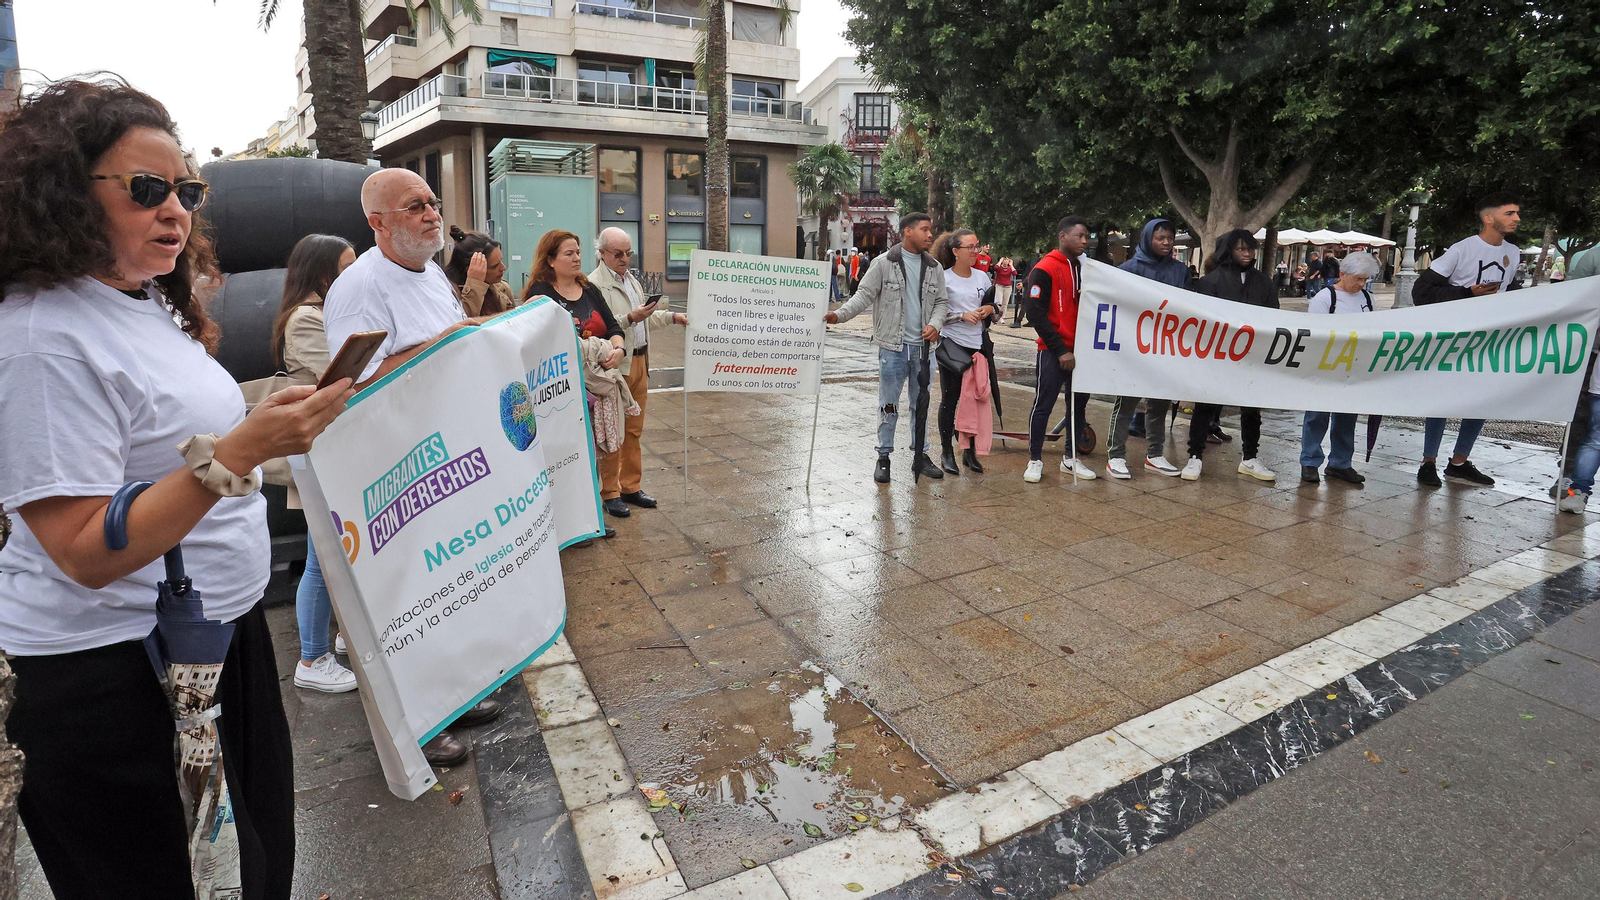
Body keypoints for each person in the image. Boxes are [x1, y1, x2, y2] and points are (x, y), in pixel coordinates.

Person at [0, 76, 356, 900]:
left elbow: (168, 440)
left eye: (186, 191)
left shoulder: (136, 305)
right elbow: (85, 550)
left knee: (257, 853)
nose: (175, 210)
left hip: (210, 643)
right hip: (116, 673)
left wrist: (272, 414)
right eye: (146, 189)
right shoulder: (40, 335)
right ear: (60, 194)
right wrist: (237, 451)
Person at [322, 167, 503, 765]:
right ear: (377, 222)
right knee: (408, 602)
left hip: (450, 451)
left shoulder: (429, 275)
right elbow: (356, 384)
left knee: (452, 584)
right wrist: (456, 342)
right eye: (414, 207)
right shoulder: (359, 288)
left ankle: (455, 694)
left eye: (432, 203)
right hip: (399, 468)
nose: (431, 214)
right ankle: (420, 722)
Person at [269, 233, 359, 694]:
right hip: (319, 452)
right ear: (322, 274)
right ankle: (310, 656)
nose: (353, 276)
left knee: (339, 554)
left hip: (334, 448)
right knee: (323, 557)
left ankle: (342, 639)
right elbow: (343, 375)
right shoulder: (306, 318)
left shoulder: (326, 313)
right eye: (345, 268)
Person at [824, 213, 949, 484]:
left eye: (931, 230)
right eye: (924, 230)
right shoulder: (884, 263)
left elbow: (941, 301)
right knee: (889, 405)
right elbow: (864, 296)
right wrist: (839, 315)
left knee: (921, 404)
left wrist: (936, 324)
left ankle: (920, 454)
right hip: (893, 348)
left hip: (924, 351)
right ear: (907, 232)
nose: (930, 235)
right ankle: (883, 457)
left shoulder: (934, 267)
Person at [1411, 191, 1522, 488]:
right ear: (1488, 218)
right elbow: (1421, 293)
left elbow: (1510, 292)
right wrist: (1467, 293)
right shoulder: (1462, 250)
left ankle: (1459, 461)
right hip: (1455, 335)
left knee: (1481, 398)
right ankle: (1428, 462)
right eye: (1509, 213)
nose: (1516, 219)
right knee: (1443, 398)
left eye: (1516, 213)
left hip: (1491, 338)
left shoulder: (1514, 252)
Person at [589, 226, 687, 515]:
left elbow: (645, 319)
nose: (624, 258)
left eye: (628, 252)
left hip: (640, 361)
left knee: (633, 430)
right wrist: (632, 317)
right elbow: (601, 326)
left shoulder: (631, 280)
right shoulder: (595, 284)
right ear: (602, 253)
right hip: (616, 366)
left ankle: (630, 485)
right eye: (618, 253)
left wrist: (672, 317)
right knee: (612, 432)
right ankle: (610, 492)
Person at [1187, 229, 1279, 483]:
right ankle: (1195, 456)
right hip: (1217, 357)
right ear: (1229, 250)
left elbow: (1275, 317)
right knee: (1205, 405)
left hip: (1252, 358)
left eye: (1250, 249)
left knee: (1251, 410)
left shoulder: (1264, 282)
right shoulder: (1210, 281)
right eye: (1241, 249)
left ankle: (1250, 458)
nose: (1247, 254)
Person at [1107, 218, 1186, 479]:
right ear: (1148, 238)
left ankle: (1155, 454)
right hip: (1134, 348)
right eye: (1160, 238)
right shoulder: (1128, 269)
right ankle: (1116, 455)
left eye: (1169, 238)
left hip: (1166, 347)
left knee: (1159, 402)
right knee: (1126, 402)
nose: (1166, 243)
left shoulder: (1180, 271)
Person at [1022, 216, 1098, 483]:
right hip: (1053, 351)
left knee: (1077, 407)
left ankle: (1071, 458)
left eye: (1087, 237)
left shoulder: (1085, 268)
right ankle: (1034, 460)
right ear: (1063, 237)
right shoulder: (1044, 269)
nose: (1085, 242)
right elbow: (1035, 313)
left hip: (1083, 350)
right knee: (1043, 405)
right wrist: (1060, 349)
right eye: (1080, 236)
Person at [1299, 252, 1379, 485]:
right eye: (1359, 278)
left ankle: (1340, 463)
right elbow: (1314, 333)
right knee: (1317, 416)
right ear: (1343, 274)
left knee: (1347, 418)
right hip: (1325, 368)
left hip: (1353, 368)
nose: (1362, 283)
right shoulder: (1325, 298)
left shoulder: (1367, 298)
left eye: (1365, 279)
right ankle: (1310, 462)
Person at [932, 229, 997, 474]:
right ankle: (947, 451)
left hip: (979, 347)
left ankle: (969, 452)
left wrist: (990, 309)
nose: (975, 251)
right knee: (951, 398)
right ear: (955, 251)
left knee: (975, 400)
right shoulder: (944, 278)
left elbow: (995, 309)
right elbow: (934, 315)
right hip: (953, 346)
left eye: (977, 246)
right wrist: (961, 315)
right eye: (970, 247)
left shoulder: (982, 278)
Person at [444, 225, 515, 317]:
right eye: (495, 266)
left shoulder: (503, 288)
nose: (503, 268)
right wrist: (475, 284)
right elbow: (462, 321)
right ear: (472, 268)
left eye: (501, 261)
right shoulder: (449, 291)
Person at [993, 255, 1016, 322]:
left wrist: (1011, 265)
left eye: (1007, 260)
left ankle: (1002, 316)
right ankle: (996, 315)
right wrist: (1000, 261)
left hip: (1008, 287)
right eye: (1004, 259)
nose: (1006, 261)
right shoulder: (999, 267)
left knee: (1005, 303)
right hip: (999, 285)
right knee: (999, 301)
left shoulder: (1009, 268)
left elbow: (1015, 273)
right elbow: (995, 268)